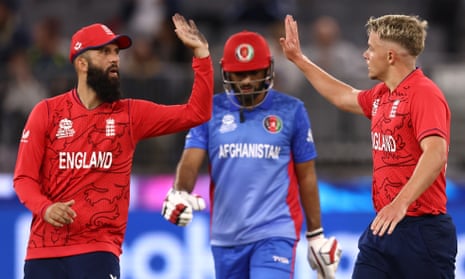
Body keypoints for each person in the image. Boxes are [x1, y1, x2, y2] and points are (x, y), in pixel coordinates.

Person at [13, 13, 213, 279]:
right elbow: (24, 178)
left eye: (116, 53)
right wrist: (46, 208)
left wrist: (201, 55)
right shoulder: (47, 112)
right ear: (82, 63)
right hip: (42, 252)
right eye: (105, 52)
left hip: (98, 251)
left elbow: (196, 113)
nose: (115, 59)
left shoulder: (130, 115)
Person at [280, 14, 457, 278]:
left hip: (423, 231)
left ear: (390, 56)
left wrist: (401, 203)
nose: (365, 54)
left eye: (371, 48)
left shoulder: (424, 93)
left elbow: (436, 153)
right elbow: (343, 96)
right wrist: (299, 60)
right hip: (383, 228)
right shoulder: (382, 95)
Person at [161, 30, 341, 278]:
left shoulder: (292, 111)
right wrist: (180, 192)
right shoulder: (208, 111)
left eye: (253, 72)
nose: (246, 81)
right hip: (225, 237)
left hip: (276, 232)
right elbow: (190, 162)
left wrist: (315, 235)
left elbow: (307, 176)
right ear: (227, 72)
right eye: (240, 74)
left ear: (268, 69)